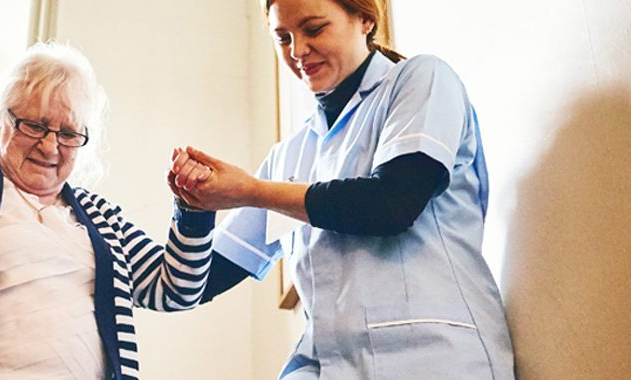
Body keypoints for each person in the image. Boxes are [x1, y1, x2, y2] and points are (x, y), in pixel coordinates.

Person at [168, 0, 515, 378]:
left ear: (365, 19)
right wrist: (195, 204)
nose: (297, 51)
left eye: (314, 30)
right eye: (282, 38)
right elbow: (199, 280)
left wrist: (250, 191)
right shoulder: (290, 154)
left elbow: (392, 204)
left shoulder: (422, 79)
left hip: (431, 358)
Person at [0, 42, 214, 380]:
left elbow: (175, 290)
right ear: (1, 121)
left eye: (68, 133)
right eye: (35, 126)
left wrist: (194, 211)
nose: (50, 145)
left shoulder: (100, 216)